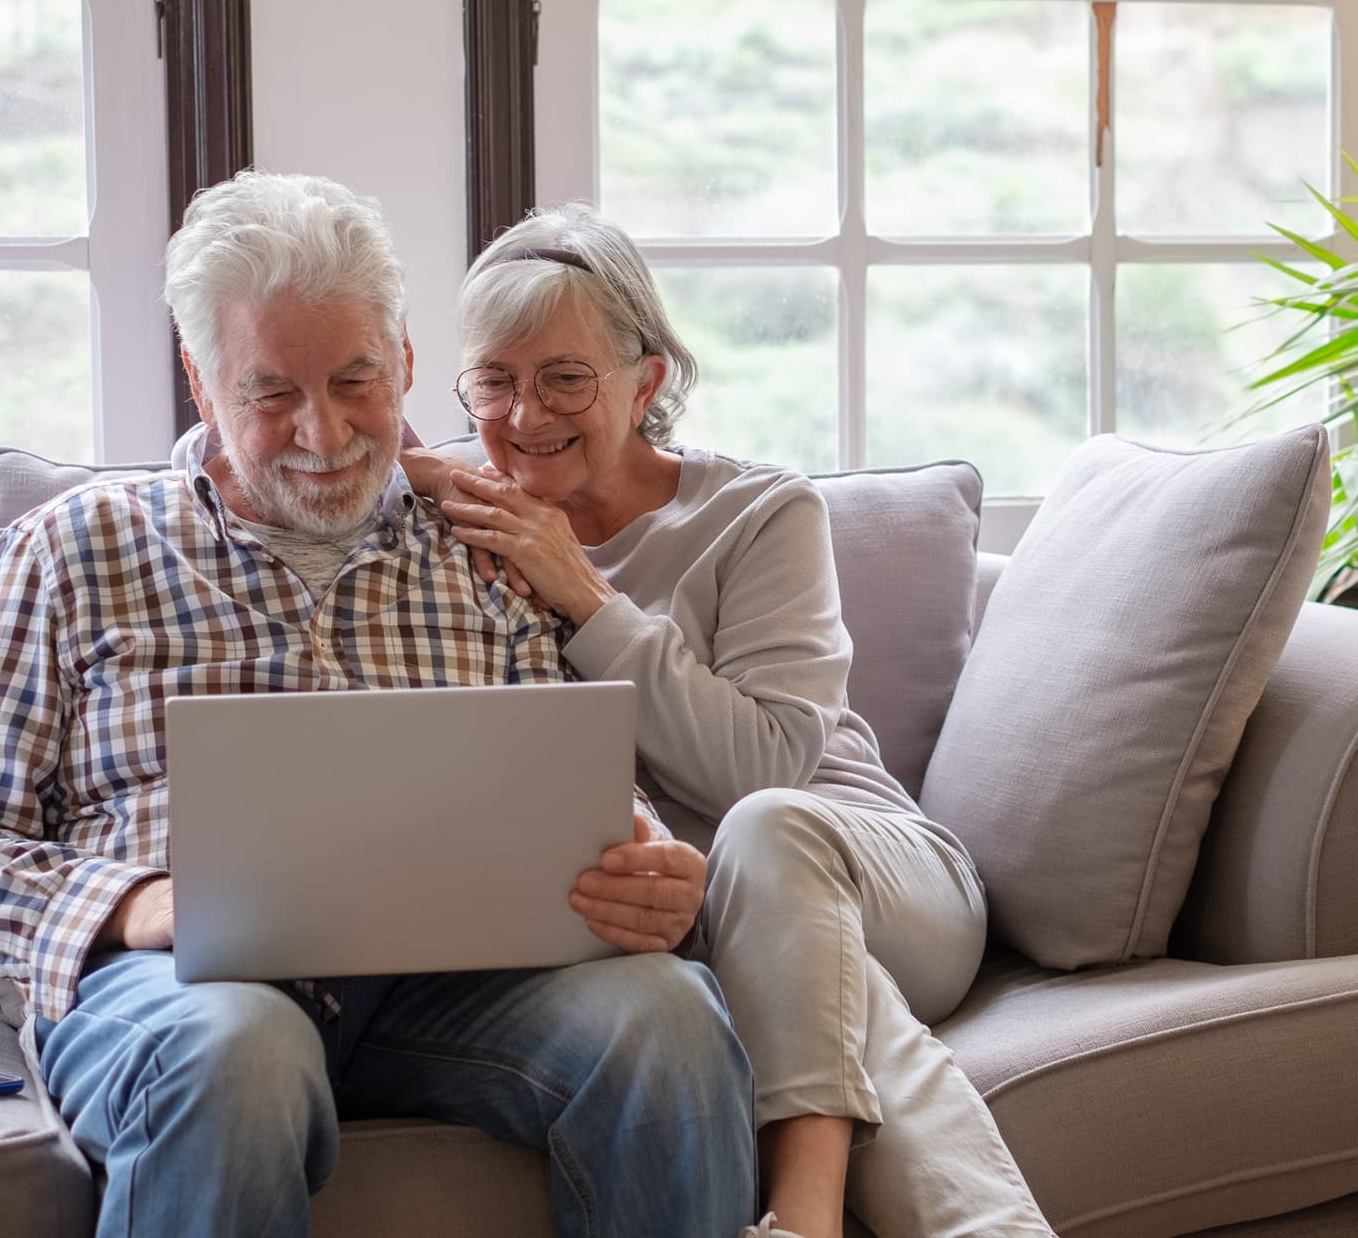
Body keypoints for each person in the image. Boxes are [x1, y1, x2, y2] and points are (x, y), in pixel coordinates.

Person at [0, 172, 757, 1238]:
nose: (325, 431)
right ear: (204, 388)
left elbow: (582, 789)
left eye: (356, 381)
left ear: (407, 367)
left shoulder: (490, 545)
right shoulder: (76, 548)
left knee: (669, 1018)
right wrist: (135, 905)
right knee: (242, 1049)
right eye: (271, 395)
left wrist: (648, 871)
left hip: (453, 989)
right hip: (181, 992)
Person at [404, 203, 1056, 1238]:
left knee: (761, 834)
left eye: (565, 377)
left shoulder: (759, 514)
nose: (524, 416)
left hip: (868, 874)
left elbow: (767, 767)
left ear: (647, 379)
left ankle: (803, 1220)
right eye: (494, 380)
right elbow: (236, 449)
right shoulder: (453, 508)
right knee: (817, 997)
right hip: (703, 924)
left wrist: (582, 594)